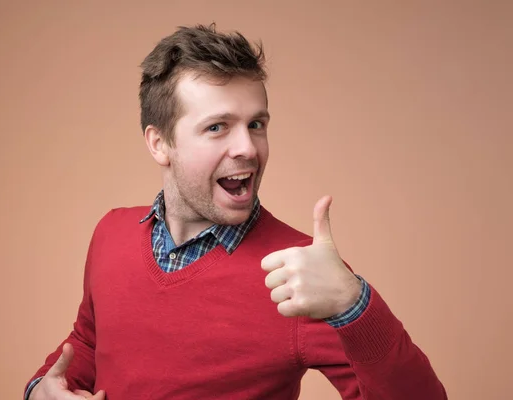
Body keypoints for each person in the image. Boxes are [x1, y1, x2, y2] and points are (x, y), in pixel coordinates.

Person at [23, 23, 447, 400]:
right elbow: (88, 341)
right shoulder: (111, 232)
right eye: (217, 127)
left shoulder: (299, 272)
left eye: (256, 124)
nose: (247, 147)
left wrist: (354, 303)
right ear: (159, 143)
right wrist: (40, 389)